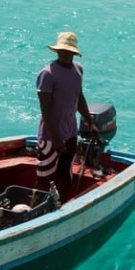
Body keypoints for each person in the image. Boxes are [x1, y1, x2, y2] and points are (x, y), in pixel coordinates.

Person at [35, 31, 96, 194]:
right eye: (61, 50)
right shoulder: (47, 74)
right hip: (50, 137)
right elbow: (45, 109)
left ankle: (63, 205)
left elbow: (79, 97)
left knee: (65, 173)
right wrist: (55, 137)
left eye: (67, 51)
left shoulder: (78, 70)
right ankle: (41, 210)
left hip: (70, 133)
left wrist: (90, 122)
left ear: (73, 53)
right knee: (45, 178)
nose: (64, 53)